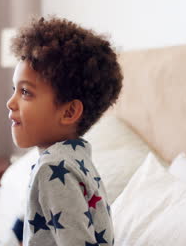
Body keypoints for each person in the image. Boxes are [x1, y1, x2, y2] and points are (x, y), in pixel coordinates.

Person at [6, 17, 123, 246]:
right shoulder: (77, 158)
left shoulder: (52, 168)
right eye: (14, 90)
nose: (11, 102)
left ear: (69, 112)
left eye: (26, 92)